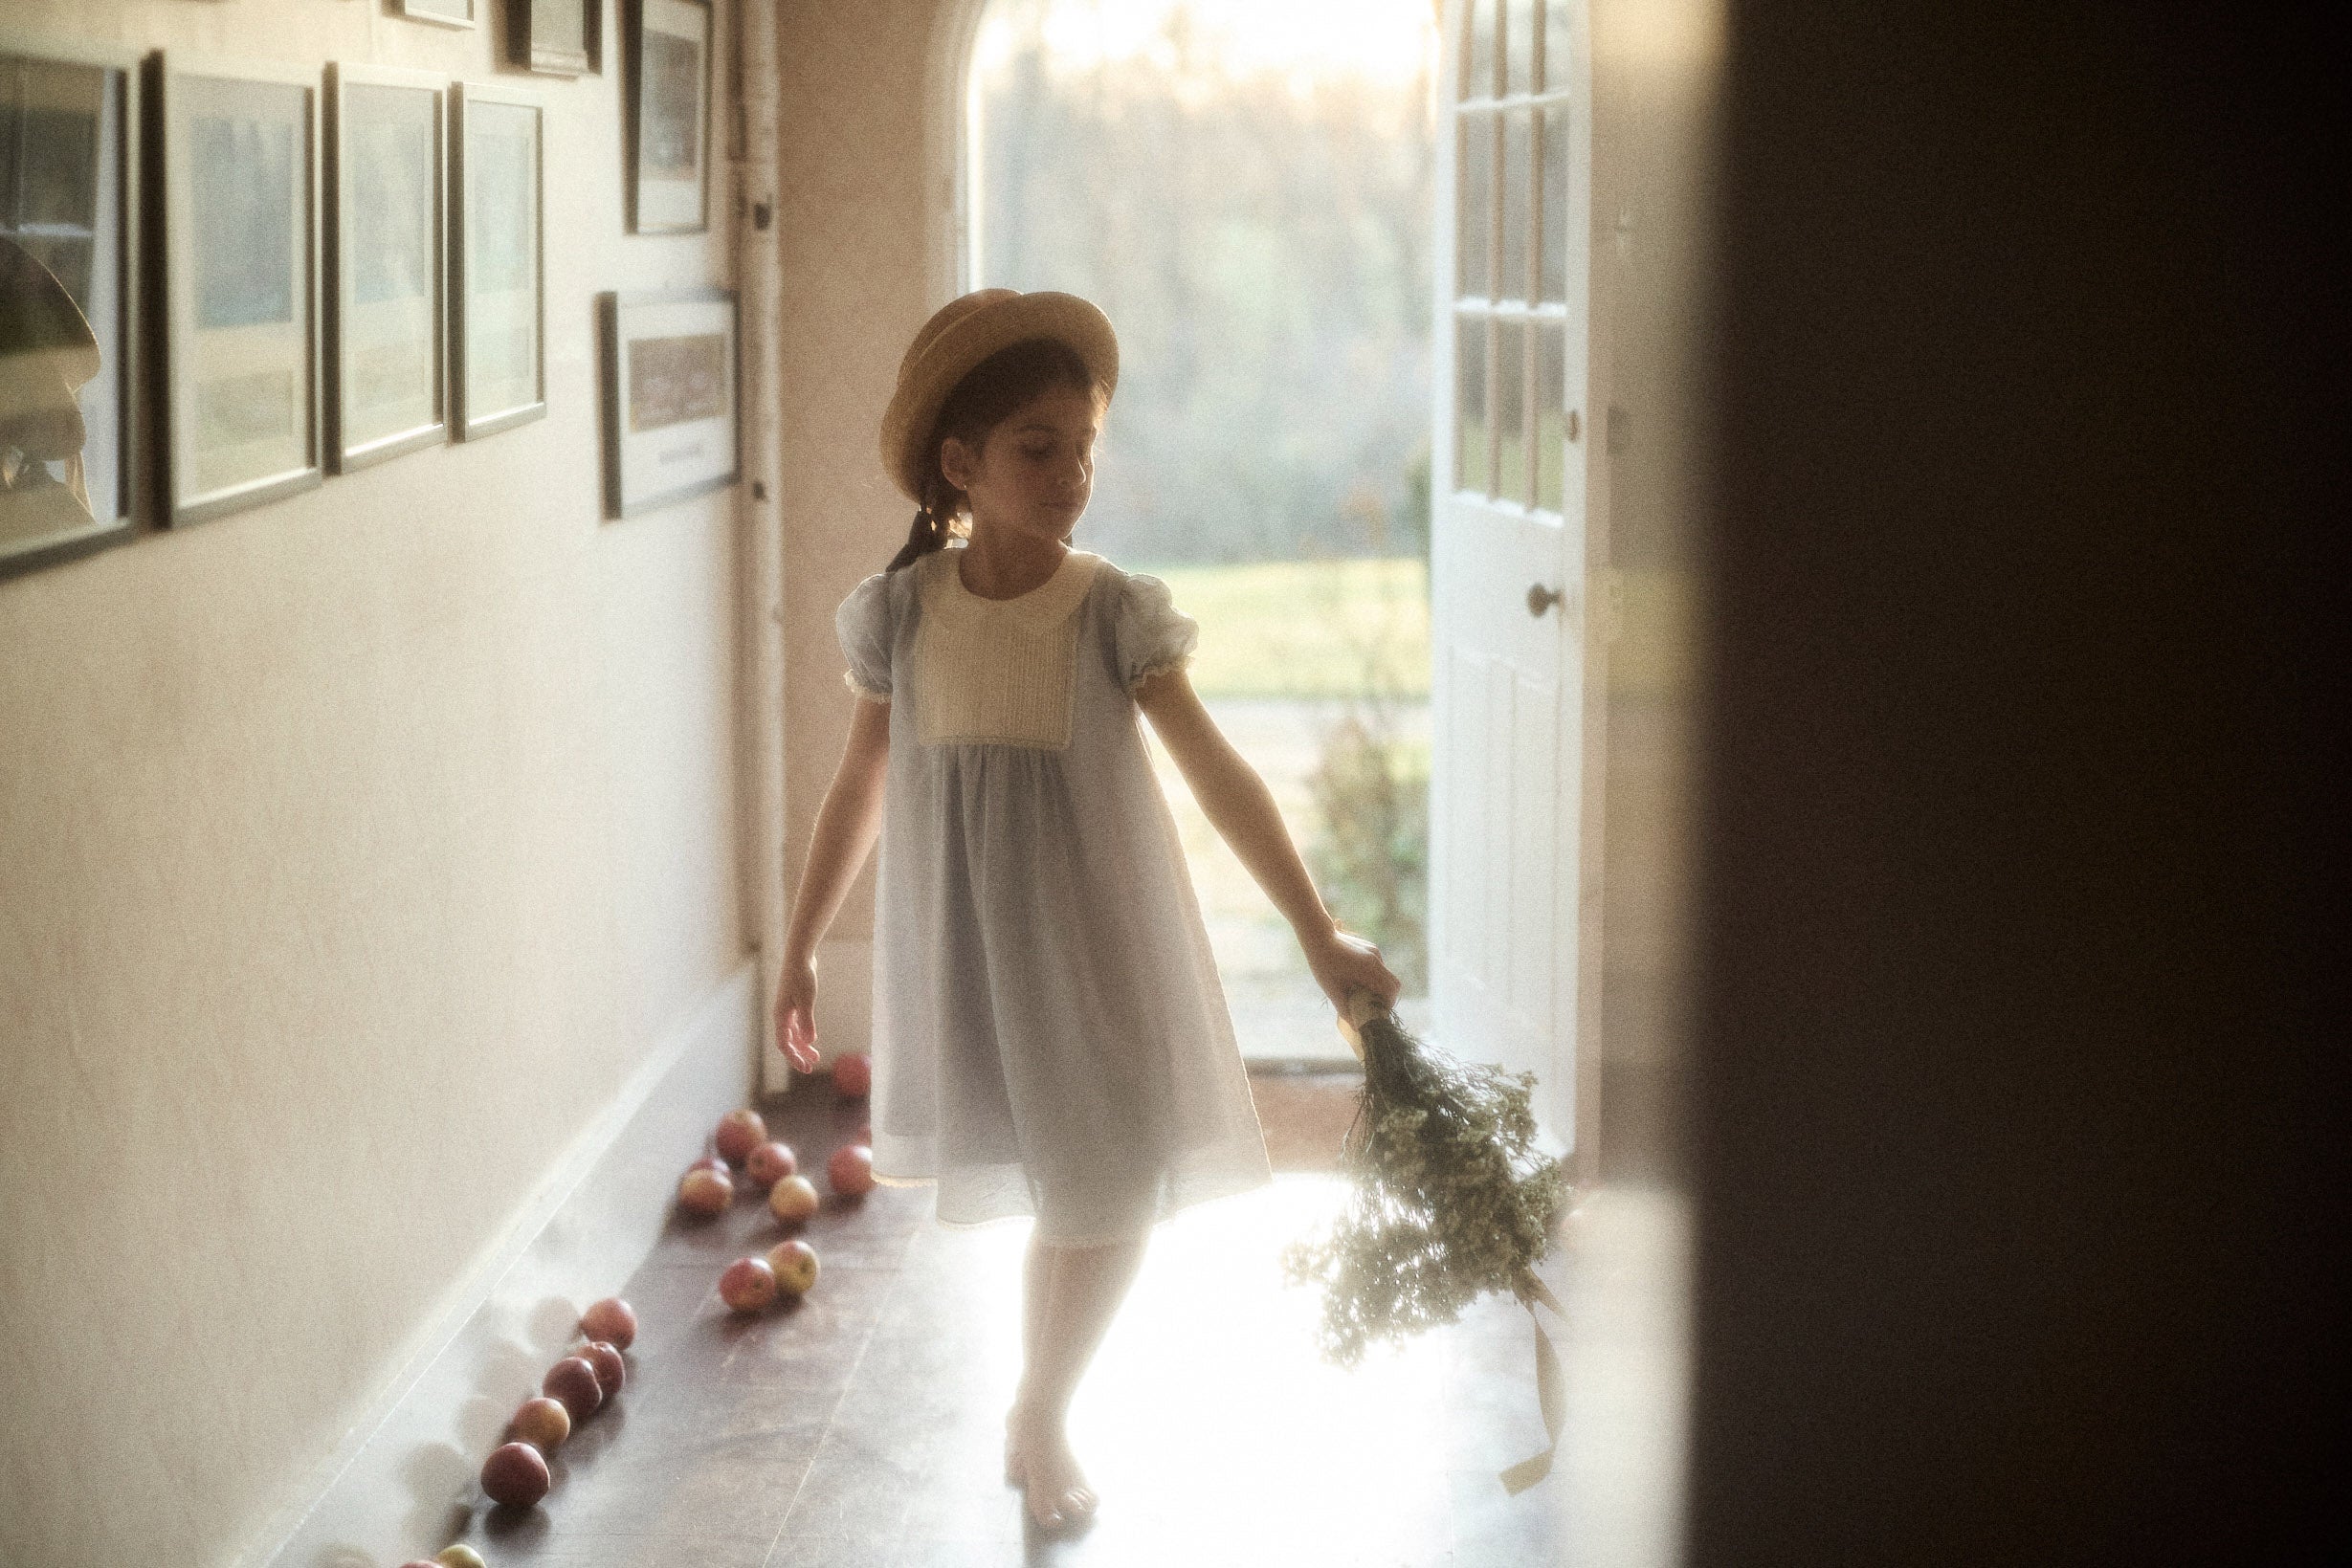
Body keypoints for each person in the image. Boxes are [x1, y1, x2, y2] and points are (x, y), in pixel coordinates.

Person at [771, 288, 1403, 1531]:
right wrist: (796, 948)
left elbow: (1218, 775)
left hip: (1098, 954)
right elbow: (858, 783)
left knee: (1108, 1190)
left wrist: (1315, 928)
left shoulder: (1110, 610)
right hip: (974, 964)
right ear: (963, 464)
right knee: (1068, 1195)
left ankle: (1041, 1405)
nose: (1072, 474)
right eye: (1038, 448)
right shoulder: (901, 615)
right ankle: (1038, 1407)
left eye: (1085, 445)